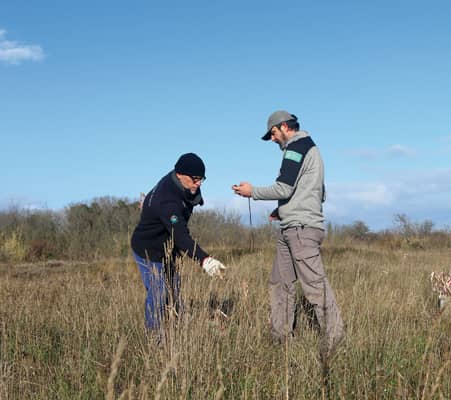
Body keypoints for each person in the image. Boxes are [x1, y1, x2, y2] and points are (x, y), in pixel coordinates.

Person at [232, 110, 344, 351]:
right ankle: (281, 339)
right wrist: (281, 210)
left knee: (314, 286)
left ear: (284, 127)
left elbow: (284, 188)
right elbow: (315, 192)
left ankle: (334, 340)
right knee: (280, 282)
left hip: (301, 230)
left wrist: (253, 192)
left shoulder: (296, 148)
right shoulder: (309, 149)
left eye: (272, 133)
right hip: (292, 226)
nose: (272, 139)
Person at [131, 153, 226, 333]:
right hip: (148, 250)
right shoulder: (167, 201)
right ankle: (155, 338)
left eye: (202, 179)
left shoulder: (182, 182)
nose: (198, 184)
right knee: (158, 292)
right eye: (195, 179)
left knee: (174, 287)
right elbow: (181, 236)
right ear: (180, 174)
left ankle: (179, 326)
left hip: (167, 247)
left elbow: (192, 196)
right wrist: (205, 260)